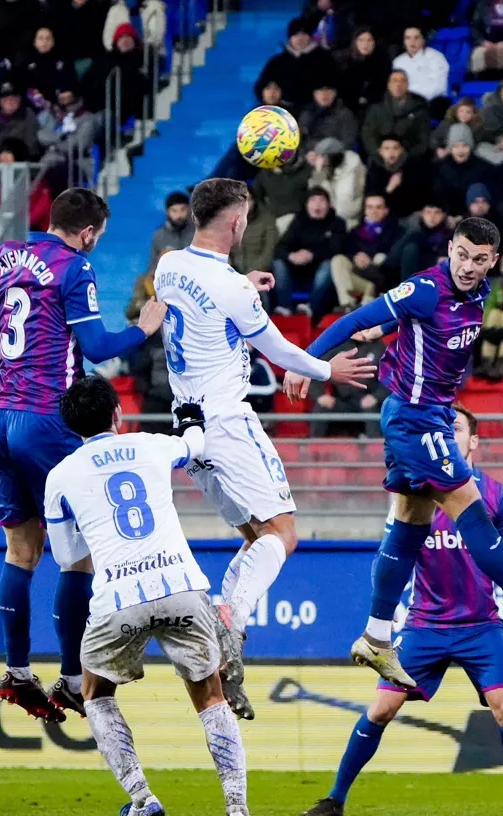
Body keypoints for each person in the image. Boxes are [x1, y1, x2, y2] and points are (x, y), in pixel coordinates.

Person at [285, 217, 503, 687]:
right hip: (415, 417)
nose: (468, 266)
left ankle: (375, 637)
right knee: (473, 511)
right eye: (462, 255)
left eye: (479, 259)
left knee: (409, 528)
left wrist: (390, 328)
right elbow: (355, 319)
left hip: (427, 415)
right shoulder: (425, 289)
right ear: (449, 249)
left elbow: (417, 327)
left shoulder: (479, 291)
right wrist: (304, 363)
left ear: (493, 261)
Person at [153, 178, 377, 716]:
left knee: (257, 538)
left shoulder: (167, 266)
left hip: (188, 425)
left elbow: (205, 300)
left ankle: (224, 642)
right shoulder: (231, 289)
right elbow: (277, 348)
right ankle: (229, 623)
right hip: (228, 421)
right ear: (237, 222)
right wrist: (327, 370)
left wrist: (242, 285)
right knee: (283, 534)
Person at [297, 405, 503, 816]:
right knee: (381, 709)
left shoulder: (498, 497)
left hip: (481, 625)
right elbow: (390, 558)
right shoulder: (414, 493)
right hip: (425, 624)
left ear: (474, 441)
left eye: (456, 428)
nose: (448, 434)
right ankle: (334, 800)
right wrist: (384, 616)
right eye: (442, 428)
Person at [44, 376, 265, 816]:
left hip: (118, 597)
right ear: (117, 413)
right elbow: (194, 443)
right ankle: (239, 811)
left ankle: (142, 798)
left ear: (72, 428)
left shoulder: (59, 475)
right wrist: (191, 420)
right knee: (210, 696)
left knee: (95, 693)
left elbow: (67, 557)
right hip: (180, 583)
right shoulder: (149, 444)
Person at [0, 188, 165, 722]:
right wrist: (144, 327)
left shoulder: (7, 254)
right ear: (86, 233)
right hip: (46, 420)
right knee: (77, 554)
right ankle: (73, 678)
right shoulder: (74, 267)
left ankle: (16, 672)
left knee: (20, 551)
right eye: (96, 236)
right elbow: (98, 347)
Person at [271, 187, 347, 317]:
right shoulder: (299, 221)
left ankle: (311, 306)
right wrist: (292, 256)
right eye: (313, 200)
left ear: (329, 204)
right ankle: (285, 306)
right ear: (306, 204)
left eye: (322, 201)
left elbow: (337, 249)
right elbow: (280, 247)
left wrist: (312, 256)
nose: (317, 205)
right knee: (278, 263)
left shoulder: (338, 222)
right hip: (297, 267)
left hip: (321, 268)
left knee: (331, 263)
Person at [308, 333, 390, 437]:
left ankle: (374, 445)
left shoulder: (379, 347)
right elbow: (315, 371)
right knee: (322, 406)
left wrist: (376, 397)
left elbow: (390, 377)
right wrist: (320, 395)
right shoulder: (337, 345)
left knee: (373, 409)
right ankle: (313, 444)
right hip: (341, 400)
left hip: (368, 399)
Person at [331, 194, 401, 311]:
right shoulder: (355, 231)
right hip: (361, 280)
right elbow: (346, 251)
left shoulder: (397, 231)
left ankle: (355, 305)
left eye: (378, 207)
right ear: (365, 210)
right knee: (338, 260)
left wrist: (370, 260)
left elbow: (393, 261)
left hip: (381, 279)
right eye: (370, 207)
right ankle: (348, 305)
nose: (374, 211)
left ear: (386, 210)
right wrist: (356, 257)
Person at [253, 17, 339, 111]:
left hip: (316, 112)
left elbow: (335, 84)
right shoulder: (277, 61)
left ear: (310, 36)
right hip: (283, 110)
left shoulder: (324, 59)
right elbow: (262, 86)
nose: (300, 38)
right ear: (290, 38)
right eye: (295, 34)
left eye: (304, 34)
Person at [360, 70, 431, 160]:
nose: (398, 85)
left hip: (410, 160)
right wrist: (379, 153)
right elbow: (368, 134)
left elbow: (423, 139)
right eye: (395, 81)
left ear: (407, 85)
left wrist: (405, 156)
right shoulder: (376, 107)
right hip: (379, 159)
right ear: (388, 85)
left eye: (402, 81)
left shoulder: (419, 108)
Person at [431, 123, 496, 218]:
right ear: (450, 149)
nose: (460, 151)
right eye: (456, 146)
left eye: (465, 145)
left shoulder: (484, 168)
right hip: (445, 218)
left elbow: (488, 201)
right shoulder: (439, 167)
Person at [308, 137, 366, 228]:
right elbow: (314, 192)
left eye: (323, 157)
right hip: (329, 219)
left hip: (350, 220)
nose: (320, 161)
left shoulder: (354, 167)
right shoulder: (323, 168)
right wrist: (318, 173)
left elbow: (350, 203)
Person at [392, 26, 450, 115]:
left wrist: (413, 99)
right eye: (408, 38)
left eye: (416, 38)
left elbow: (439, 87)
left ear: (423, 40)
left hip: (430, 103)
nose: (412, 42)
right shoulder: (398, 61)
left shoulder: (436, 57)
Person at [0, 80, 40, 161]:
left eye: (13, 98)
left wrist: (12, 154)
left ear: (19, 99)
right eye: (5, 99)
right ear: (0, 101)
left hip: (19, 161)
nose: (10, 102)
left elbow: (31, 146)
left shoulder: (27, 115)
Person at [334, 27, 391, 116]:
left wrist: (367, 98)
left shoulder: (382, 61)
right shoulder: (342, 60)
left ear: (374, 42)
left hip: (371, 107)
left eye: (369, 40)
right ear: (355, 42)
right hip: (345, 108)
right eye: (361, 40)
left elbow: (381, 87)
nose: (365, 44)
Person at [299, 81, 359, 152]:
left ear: (335, 94)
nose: (325, 95)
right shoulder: (306, 114)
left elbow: (348, 142)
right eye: (321, 91)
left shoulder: (345, 114)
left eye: (329, 91)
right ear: (314, 94)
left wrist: (329, 155)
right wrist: (308, 153)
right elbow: (300, 140)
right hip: (310, 154)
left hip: (336, 154)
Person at [150, 191, 195, 270]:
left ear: (188, 210)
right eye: (174, 211)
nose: (179, 215)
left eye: (183, 209)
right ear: (167, 212)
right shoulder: (159, 235)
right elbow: (152, 268)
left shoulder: (197, 233)